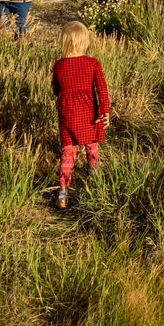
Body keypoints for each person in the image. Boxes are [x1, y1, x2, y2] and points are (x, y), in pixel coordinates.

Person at [52, 21, 110, 211]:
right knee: (91, 146)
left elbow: (55, 90)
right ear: (84, 41)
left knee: (68, 153)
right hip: (88, 114)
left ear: (64, 42)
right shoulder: (92, 63)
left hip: (67, 115)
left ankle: (63, 192)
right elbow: (101, 89)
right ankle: (94, 174)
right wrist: (104, 111)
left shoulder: (59, 65)